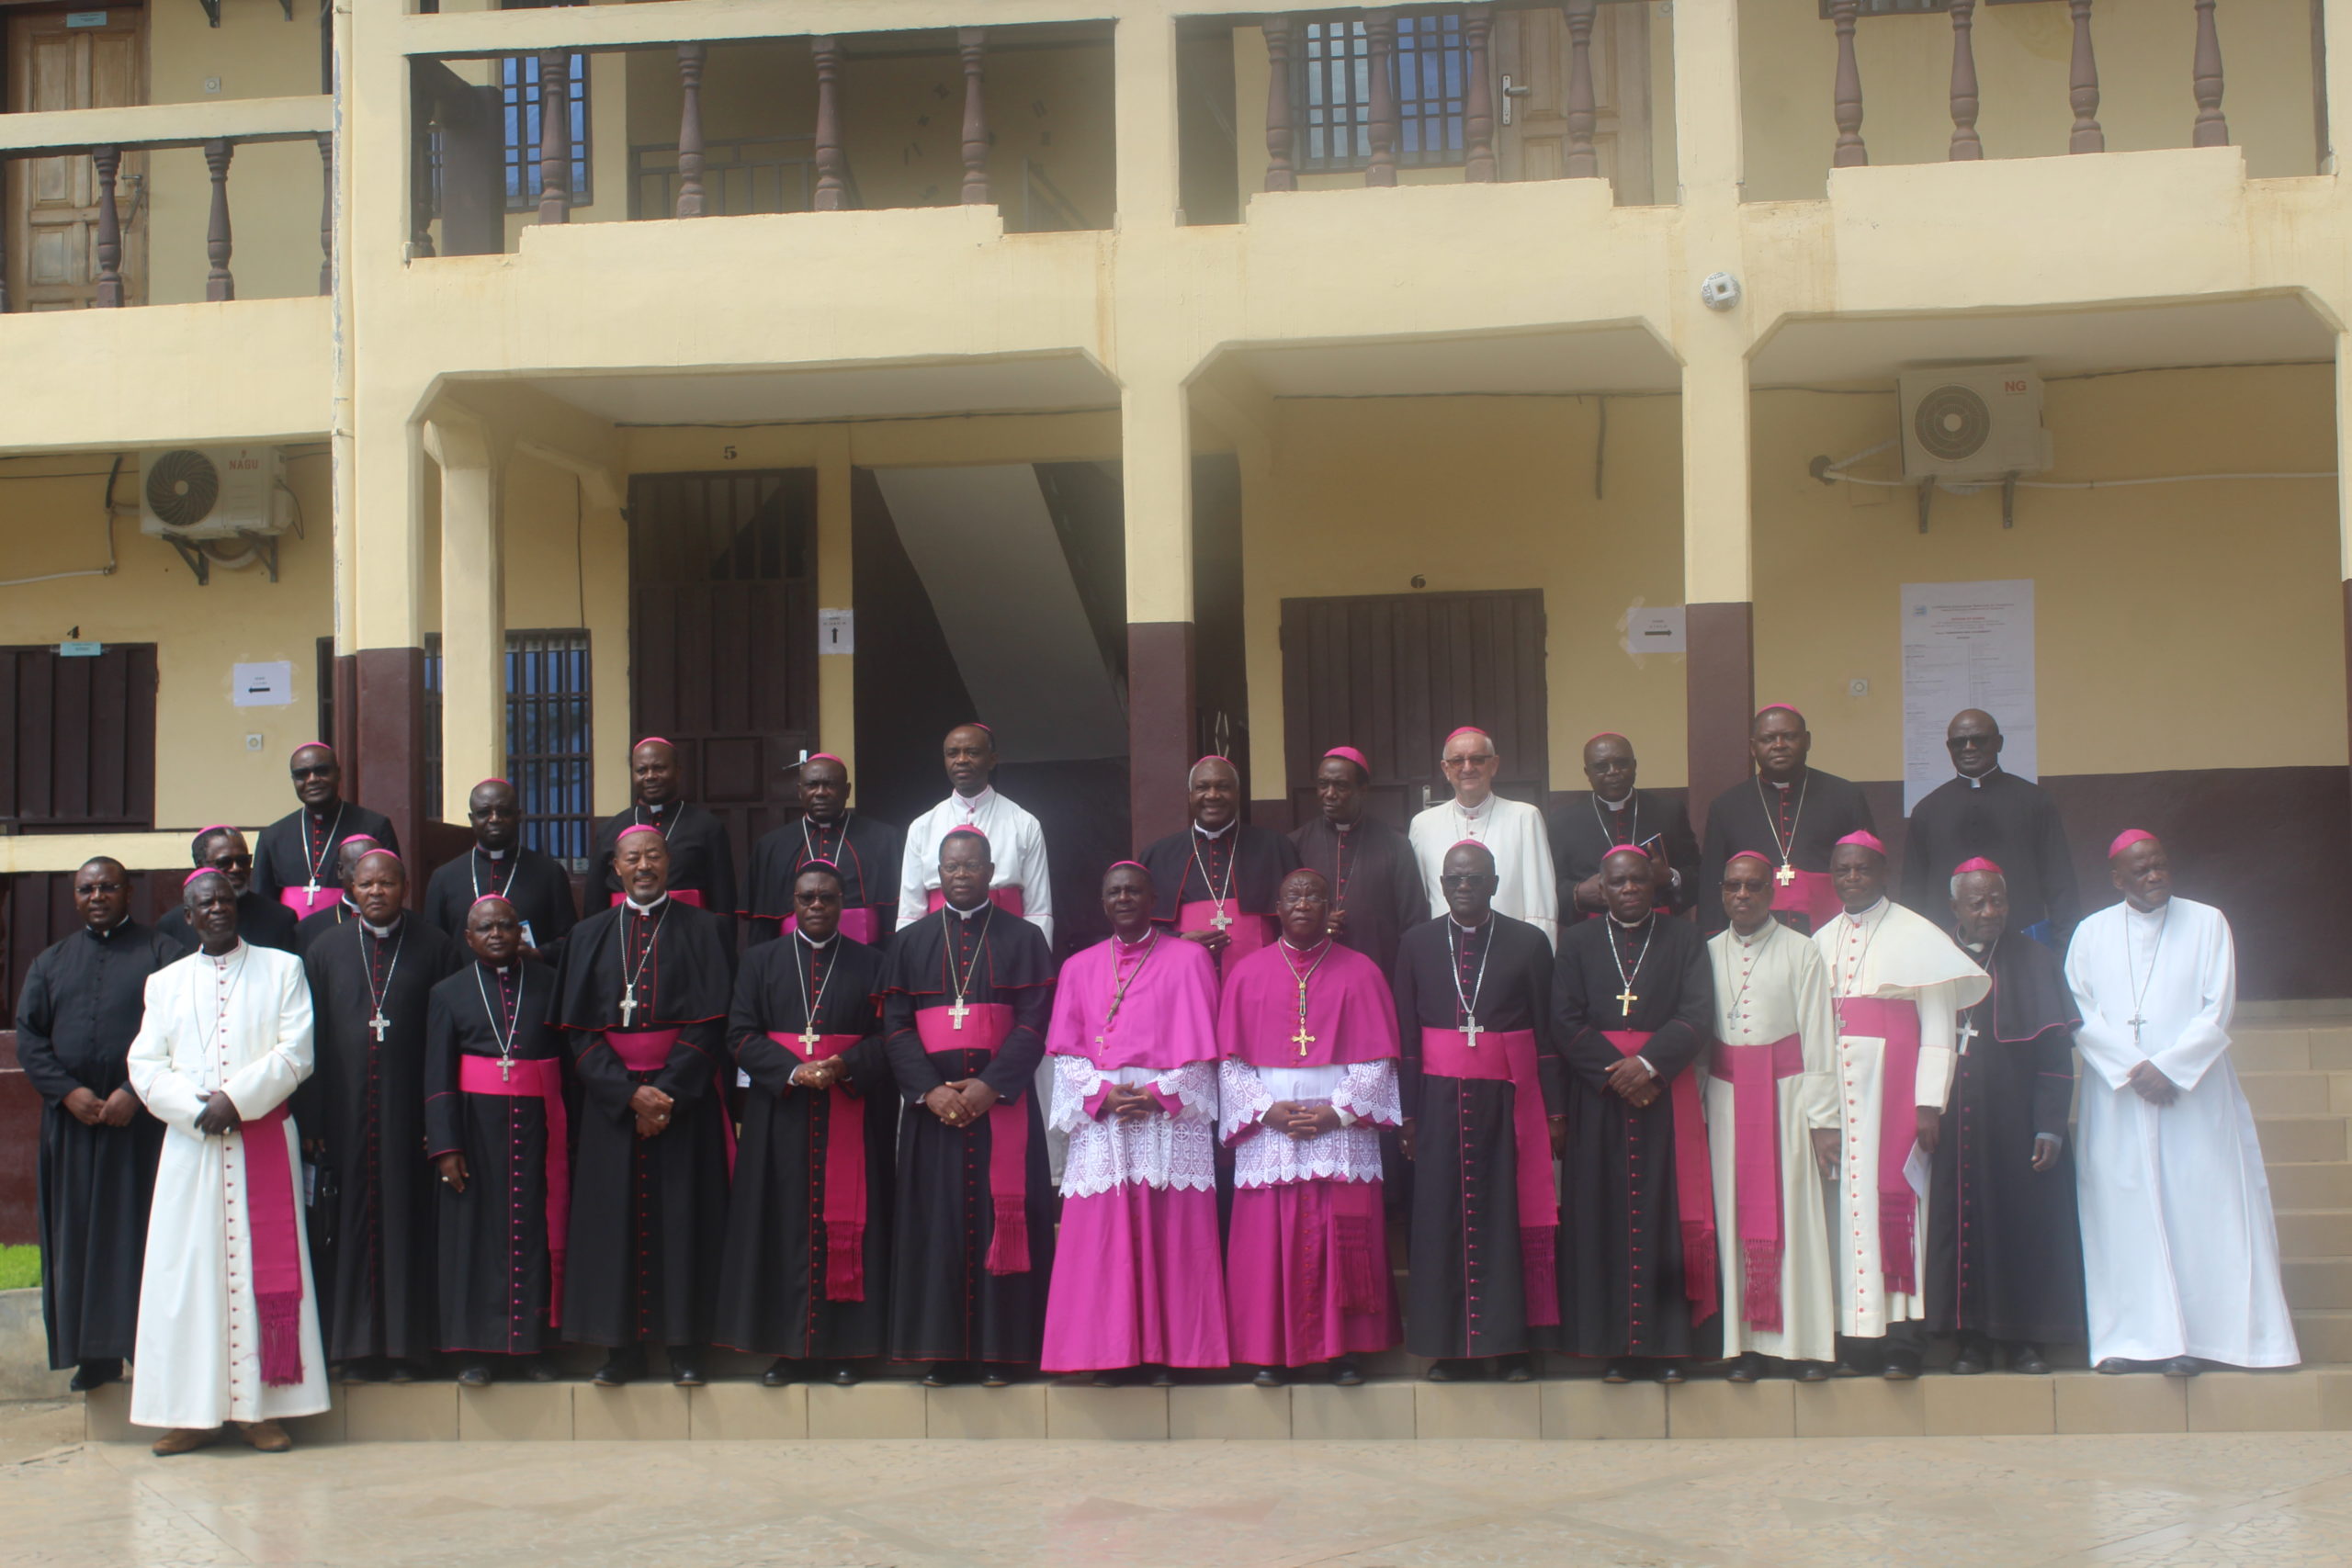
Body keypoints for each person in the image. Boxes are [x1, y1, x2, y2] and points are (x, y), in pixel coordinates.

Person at [2066, 830, 2297, 1375]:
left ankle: (2207, 1339)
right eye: (2141, 870)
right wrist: (2131, 1069)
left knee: (2203, 1209)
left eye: (2160, 866)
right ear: (2117, 878)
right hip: (2120, 1098)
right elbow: (2080, 1011)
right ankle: (2131, 1340)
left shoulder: (2208, 921)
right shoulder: (2091, 932)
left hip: (2193, 1095)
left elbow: (2218, 1006)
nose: (2154, 877)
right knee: (2122, 1216)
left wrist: (2169, 1068)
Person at [126, 869, 325, 1456]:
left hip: (261, 1134)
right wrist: (196, 1111)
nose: (216, 909)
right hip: (192, 1148)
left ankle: (262, 1410)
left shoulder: (282, 969)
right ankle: (190, 1412)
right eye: (203, 904)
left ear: (236, 905)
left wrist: (235, 1101)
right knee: (188, 1276)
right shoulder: (163, 984)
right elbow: (145, 1064)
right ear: (187, 917)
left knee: (266, 1269)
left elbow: (298, 1050)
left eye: (223, 900)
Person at [550, 825, 738, 1386]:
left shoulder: (705, 929)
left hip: (684, 1104)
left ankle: (685, 1346)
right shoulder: (588, 936)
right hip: (614, 1107)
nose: (644, 866)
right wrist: (627, 1093)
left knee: (684, 1223)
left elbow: (714, 1022)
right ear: (615, 869)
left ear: (669, 863)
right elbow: (577, 1033)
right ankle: (620, 1350)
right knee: (613, 1229)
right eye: (633, 858)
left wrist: (668, 1094)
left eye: (654, 855)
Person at [1039, 862, 1228, 1385]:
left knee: (1174, 1234)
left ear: (1154, 900)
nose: (1124, 899)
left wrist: (1158, 1095)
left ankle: (1172, 1354)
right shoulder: (1078, 967)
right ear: (1103, 903)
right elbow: (1067, 1053)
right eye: (1114, 892)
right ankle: (1109, 1354)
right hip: (1105, 1119)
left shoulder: (1190, 960)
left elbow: (1204, 1053)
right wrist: (1101, 1094)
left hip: (1169, 1116)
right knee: (1104, 1239)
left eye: (1134, 891)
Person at [882, 828, 1057, 1386]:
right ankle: (943, 1351)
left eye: (971, 865)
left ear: (990, 872)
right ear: (938, 875)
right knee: (936, 1225)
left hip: (1001, 1106)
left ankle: (1003, 1353)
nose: (961, 874)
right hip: (931, 1111)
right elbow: (894, 1027)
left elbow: (1035, 1022)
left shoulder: (1025, 938)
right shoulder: (910, 944)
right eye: (951, 866)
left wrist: (992, 1085)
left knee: (1004, 1221)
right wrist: (929, 1090)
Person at [1814, 829, 1988, 1378]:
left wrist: (1929, 1103)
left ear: (1883, 873)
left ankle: (1901, 1343)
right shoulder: (1818, 940)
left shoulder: (1920, 936)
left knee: (1899, 1208)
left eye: (1863, 869)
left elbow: (1939, 1028)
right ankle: (1855, 1340)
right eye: (1843, 870)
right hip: (1841, 1097)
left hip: (1895, 1094)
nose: (1852, 879)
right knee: (1844, 1215)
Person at [1218, 868, 1401, 1386]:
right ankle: (1269, 1352)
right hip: (1271, 1129)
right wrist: (1264, 1111)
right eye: (1293, 895)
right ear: (1277, 905)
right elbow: (1229, 1062)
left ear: (1329, 907)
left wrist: (1337, 1112)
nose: (1303, 903)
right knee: (1267, 1242)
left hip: (1338, 1130)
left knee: (1342, 1236)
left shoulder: (1361, 971)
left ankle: (1344, 1352)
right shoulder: (1247, 973)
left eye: (1314, 895)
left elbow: (1379, 1060)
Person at [716, 862, 894, 1388]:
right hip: (782, 1114)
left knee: (852, 1223)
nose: (816, 906)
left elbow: (890, 1037)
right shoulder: (760, 961)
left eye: (827, 897)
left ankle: (848, 1349)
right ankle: (786, 1350)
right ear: (792, 904)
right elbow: (739, 1034)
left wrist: (843, 1066)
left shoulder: (872, 963)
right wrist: (792, 1070)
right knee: (782, 1226)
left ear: (843, 903)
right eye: (806, 898)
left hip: (850, 1110)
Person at [1393, 840, 1560, 1382]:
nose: (1463, 886)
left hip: (1508, 1100)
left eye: (1473, 878)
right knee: (1441, 1220)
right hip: (1439, 1103)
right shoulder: (1416, 943)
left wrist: (1555, 1111)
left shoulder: (1529, 943)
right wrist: (1410, 1115)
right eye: (1453, 878)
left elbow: (1548, 1035)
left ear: (1493, 881)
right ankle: (1450, 1348)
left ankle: (1512, 1347)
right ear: (1441, 884)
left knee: (1508, 1216)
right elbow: (1408, 1038)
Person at [1555, 845, 1717, 1383]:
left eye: (1638, 882)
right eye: (1618, 883)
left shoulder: (1686, 939)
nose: (1628, 890)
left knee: (1665, 1215)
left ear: (1655, 886)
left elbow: (1697, 1013)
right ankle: (1616, 1347)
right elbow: (1564, 1019)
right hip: (1600, 1099)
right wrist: (1615, 1072)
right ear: (1601, 888)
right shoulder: (1576, 942)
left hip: (1663, 1095)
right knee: (1602, 1219)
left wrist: (1647, 1066)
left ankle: (1668, 1347)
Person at [16, 858, 178, 1392]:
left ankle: (144, 1349)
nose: (98, 896)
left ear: (129, 891)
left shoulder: (163, 954)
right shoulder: (51, 962)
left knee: (141, 1236)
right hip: (73, 1128)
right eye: (88, 889)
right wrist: (69, 1093)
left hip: (143, 1127)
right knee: (78, 1237)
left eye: (109, 886)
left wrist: (135, 1092)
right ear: (76, 897)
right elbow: (30, 1039)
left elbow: (185, 1030)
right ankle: (94, 1356)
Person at [299, 849, 460, 1383]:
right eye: (366, 884)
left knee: (406, 1225)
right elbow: (310, 1042)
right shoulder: (324, 950)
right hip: (344, 1117)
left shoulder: (435, 947)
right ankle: (351, 1348)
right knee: (346, 1230)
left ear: (404, 887)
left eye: (386, 884)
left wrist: (437, 1124)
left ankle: (405, 1351)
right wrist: (314, 1120)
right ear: (351, 886)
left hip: (409, 1115)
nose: (376, 893)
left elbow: (448, 1038)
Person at [1927, 859, 2086, 1376]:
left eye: (1998, 900)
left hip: (2019, 1125)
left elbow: (2056, 1058)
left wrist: (2050, 1125)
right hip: (1955, 1128)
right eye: (1977, 903)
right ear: (1955, 908)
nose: (1990, 911)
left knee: (2025, 1229)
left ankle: (2026, 1342)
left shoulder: (2036, 961)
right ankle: (1971, 1340)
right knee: (1964, 1230)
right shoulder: (1933, 959)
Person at [1704, 852, 1838, 1382]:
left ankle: (1803, 1346)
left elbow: (1819, 1040)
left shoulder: (1802, 952)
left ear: (1771, 893)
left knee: (1796, 1218)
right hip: (1725, 1096)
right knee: (1732, 1215)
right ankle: (1745, 1348)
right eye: (1733, 887)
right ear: (1722, 892)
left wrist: (1823, 1118)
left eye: (1754, 887)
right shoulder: (1706, 952)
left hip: (1786, 1097)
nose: (1743, 896)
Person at [424, 896, 567, 1386]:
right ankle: (473, 1353)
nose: (497, 935)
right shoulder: (448, 992)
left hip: (539, 1125)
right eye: (485, 929)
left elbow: (568, 1059)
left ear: (520, 932)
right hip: (475, 1127)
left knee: (535, 1234)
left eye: (506, 926)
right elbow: (437, 1075)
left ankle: (533, 1348)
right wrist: (446, 1146)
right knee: (475, 1238)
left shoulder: (550, 984)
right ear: (469, 938)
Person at [1901, 710, 2081, 947]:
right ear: (1949, 747)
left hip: (2022, 941)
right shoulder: (1927, 810)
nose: (1969, 747)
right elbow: (1912, 891)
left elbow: (2060, 882)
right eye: (1958, 742)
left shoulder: (2035, 802)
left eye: (1979, 739)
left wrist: (2065, 946)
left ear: (1999, 743)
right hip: (1946, 947)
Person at [1699, 705, 1873, 935]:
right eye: (1768, 738)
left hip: (1833, 932)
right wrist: (1712, 941)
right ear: (1753, 747)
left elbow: (1871, 868)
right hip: (1755, 935)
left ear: (1807, 741)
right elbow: (1712, 884)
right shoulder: (1727, 806)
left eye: (1789, 736)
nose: (1779, 745)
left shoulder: (1845, 796)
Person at [1137, 755, 1301, 976]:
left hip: (1263, 977)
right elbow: (1138, 926)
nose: (1212, 795)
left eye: (1223, 787)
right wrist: (1178, 941)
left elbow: (1297, 919)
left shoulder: (1275, 847)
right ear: (1190, 795)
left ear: (1237, 794)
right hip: (1184, 978)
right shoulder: (1157, 855)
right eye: (1202, 787)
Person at [896, 723, 1055, 947]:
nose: (961, 760)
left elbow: (1038, 908)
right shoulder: (922, 826)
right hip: (938, 945)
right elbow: (910, 910)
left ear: (992, 759)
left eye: (972, 752)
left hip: (1008, 943)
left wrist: (1036, 958)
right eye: (952, 753)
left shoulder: (1024, 823)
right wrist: (909, 959)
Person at [1408, 727, 1559, 950]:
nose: (1467, 768)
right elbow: (1419, 903)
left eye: (1477, 759)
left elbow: (1540, 902)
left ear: (1494, 765)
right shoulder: (1423, 824)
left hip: (1510, 950)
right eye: (1458, 761)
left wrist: (1540, 956)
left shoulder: (1525, 817)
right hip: (1444, 950)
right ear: (1446, 769)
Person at [1289, 745, 1424, 976]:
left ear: (1362, 790)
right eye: (1323, 785)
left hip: (1379, 967)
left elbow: (1413, 920)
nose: (1329, 793)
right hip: (1313, 970)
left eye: (1340, 785)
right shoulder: (1296, 843)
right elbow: (1283, 913)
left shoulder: (1396, 845)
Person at [746, 753, 903, 947]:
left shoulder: (883, 838)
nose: (821, 792)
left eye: (830, 785)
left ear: (846, 791)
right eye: (812, 785)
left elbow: (895, 915)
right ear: (799, 791)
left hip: (868, 959)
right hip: (792, 960)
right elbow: (762, 926)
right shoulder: (771, 846)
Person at [1547, 733, 1702, 922]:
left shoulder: (1668, 812)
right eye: (1602, 767)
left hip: (1660, 928)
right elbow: (1549, 886)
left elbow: (1697, 873)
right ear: (1587, 773)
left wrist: (1671, 876)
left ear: (1635, 766)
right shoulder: (1563, 822)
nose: (1613, 771)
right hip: (1593, 932)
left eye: (1622, 763)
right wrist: (1577, 892)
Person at [424, 778, 581, 962]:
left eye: (504, 812)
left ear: (518, 816)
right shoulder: (444, 878)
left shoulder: (549, 872)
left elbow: (570, 939)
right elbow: (433, 945)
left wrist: (537, 953)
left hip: (531, 983)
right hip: (464, 987)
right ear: (472, 819)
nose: (495, 819)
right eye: (484, 812)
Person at [589, 738, 740, 915]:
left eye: (659, 768)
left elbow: (723, 900)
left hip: (689, 933)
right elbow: (595, 902)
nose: (650, 776)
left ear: (677, 772)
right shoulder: (610, 829)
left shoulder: (708, 827)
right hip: (623, 934)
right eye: (641, 770)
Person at [251, 742, 398, 920]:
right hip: (289, 938)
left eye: (322, 771)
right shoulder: (272, 836)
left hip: (353, 934)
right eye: (301, 775)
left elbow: (392, 889)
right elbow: (262, 901)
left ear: (338, 773)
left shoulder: (375, 825)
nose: (312, 779)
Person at [157, 827, 298, 953]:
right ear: (201, 866)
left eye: (243, 861)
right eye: (225, 862)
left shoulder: (280, 918)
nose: (236, 868)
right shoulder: (172, 924)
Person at [291, 835, 379, 957]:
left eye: (376, 868)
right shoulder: (307, 929)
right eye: (359, 868)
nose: (368, 876)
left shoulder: (407, 925)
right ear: (341, 870)